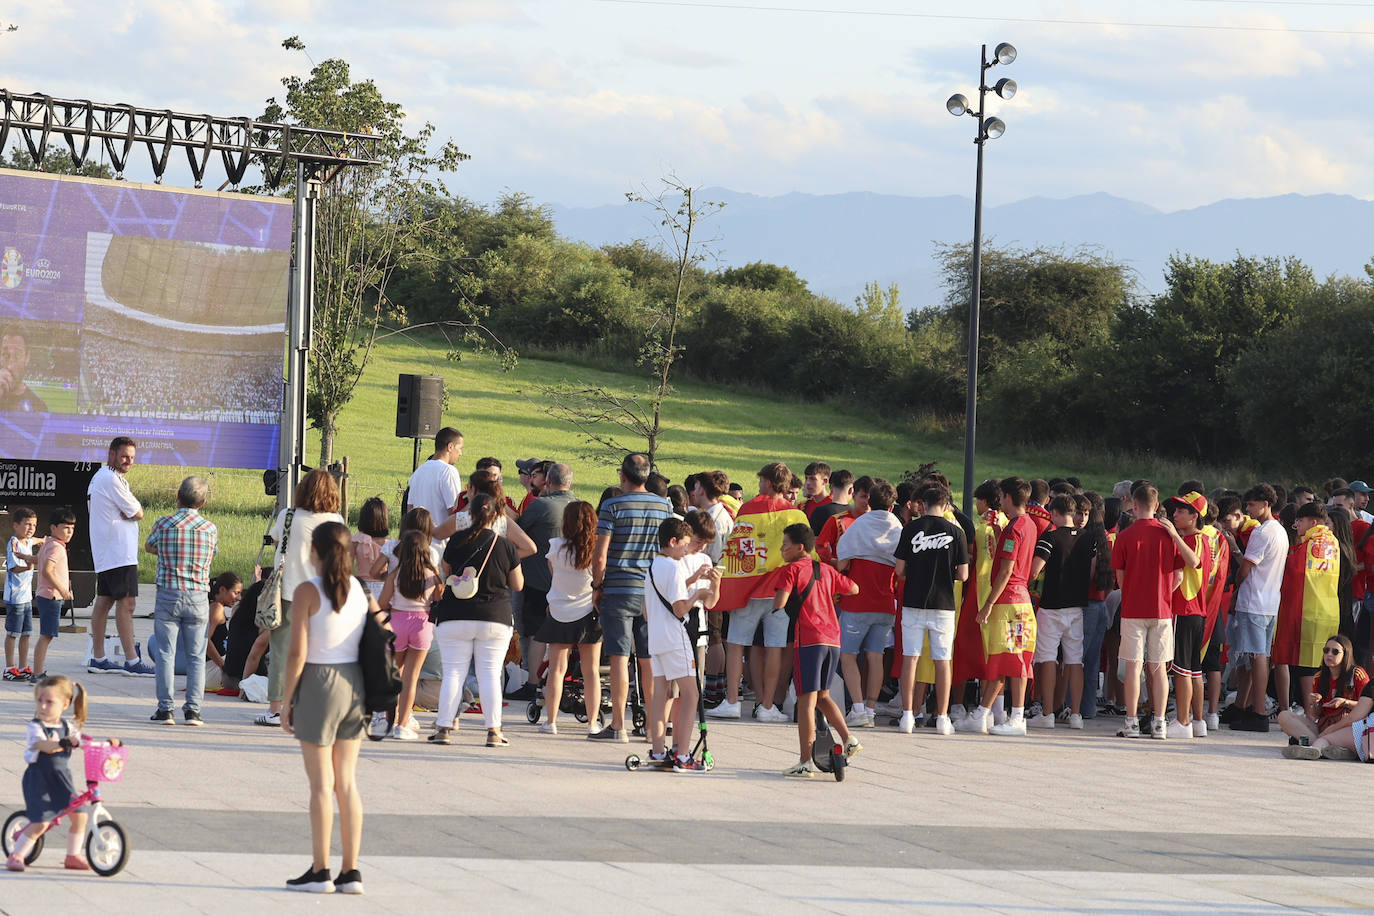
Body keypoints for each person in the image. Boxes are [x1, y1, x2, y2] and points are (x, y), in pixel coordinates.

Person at [280, 522, 382, 895]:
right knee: (347, 783)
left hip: (319, 682)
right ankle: (351, 870)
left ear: (315, 551)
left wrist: (287, 699)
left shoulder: (308, 590)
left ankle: (320, 870)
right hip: (353, 683)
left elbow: (297, 653)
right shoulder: (359, 589)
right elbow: (379, 630)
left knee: (321, 785)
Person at [710, 461, 810, 722]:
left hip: (750, 589)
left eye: (760, 480)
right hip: (781, 591)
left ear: (767, 482)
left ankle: (732, 701)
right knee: (775, 646)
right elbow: (809, 554)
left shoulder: (748, 509)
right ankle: (767, 706)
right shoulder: (796, 514)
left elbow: (735, 549)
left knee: (735, 644)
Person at [430, 493, 529, 747]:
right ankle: (493, 731)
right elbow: (517, 584)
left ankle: (444, 727)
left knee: (453, 672)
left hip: (455, 615)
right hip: (494, 617)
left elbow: (447, 570)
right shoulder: (506, 545)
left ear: (469, 515)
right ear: (498, 516)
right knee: (489, 674)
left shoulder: (456, 540)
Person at [591, 454, 673, 740]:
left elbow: (600, 554)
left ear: (622, 475)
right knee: (648, 661)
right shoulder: (665, 506)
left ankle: (618, 725)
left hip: (618, 589)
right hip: (651, 591)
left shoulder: (612, 506)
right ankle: (652, 726)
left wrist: (596, 585)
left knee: (619, 657)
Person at [771, 523, 860, 777]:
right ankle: (849, 738)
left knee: (806, 702)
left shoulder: (791, 570)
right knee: (822, 696)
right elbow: (853, 588)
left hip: (809, 640)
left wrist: (777, 599)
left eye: (785, 545)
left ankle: (805, 761)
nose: (782, 549)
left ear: (799, 548)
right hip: (833, 638)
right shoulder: (826, 570)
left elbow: (780, 602)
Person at [260, 469, 346, 727]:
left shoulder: (288, 516)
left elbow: (276, 541)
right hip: (322, 594)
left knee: (281, 651)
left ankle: (276, 708)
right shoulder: (337, 521)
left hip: (289, 592)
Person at [1111, 484, 1198, 740]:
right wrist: (1163, 592)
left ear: (1134, 506)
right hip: (1161, 608)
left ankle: (1131, 721)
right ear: (1158, 506)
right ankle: (1159, 721)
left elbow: (1121, 576)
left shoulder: (1125, 536)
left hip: (1133, 609)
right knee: (1159, 667)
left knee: (1133, 667)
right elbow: (1181, 573)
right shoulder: (1168, 534)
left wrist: (1133, 592)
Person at [6, 676, 119, 872]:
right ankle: (16, 855)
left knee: (80, 815)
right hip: (39, 779)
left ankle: (73, 855)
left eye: (49, 702)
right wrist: (62, 743)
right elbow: (42, 745)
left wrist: (109, 745)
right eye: (40, 700)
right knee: (41, 822)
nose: (42, 706)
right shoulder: (36, 727)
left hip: (62, 778)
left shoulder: (68, 727)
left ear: (65, 704)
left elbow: (82, 740)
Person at [962, 477, 1039, 737]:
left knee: (1011, 660)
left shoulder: (1014, 528)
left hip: (1009, 603)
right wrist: (997, 532)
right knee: (1010, 659)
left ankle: (1014, 717)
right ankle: (988, 713)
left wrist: (988, 605)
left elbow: (1006, 569)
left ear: (1006, 497)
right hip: (1021, 601)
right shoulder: (1027, 524)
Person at [644, 517, 720, 772]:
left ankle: (657, 750)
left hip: (655, 637)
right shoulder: (675, 567)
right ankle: (683, 754)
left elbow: (647, 611)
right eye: (685, 544)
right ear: (673, 542)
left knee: (659, 694)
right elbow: (679, 609)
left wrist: (692, 585)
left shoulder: (654, 565)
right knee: (691, 694)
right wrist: (697, 593)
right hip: (676, 637)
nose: (687, 550)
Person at [892, 485, 969, 735]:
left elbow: (899, 570)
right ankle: (943, 718)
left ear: (923, 504)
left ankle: (907, 716)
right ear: (947, 505)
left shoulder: (911, 529)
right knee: (943, 660)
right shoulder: (956, 533)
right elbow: (964, 574)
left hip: (914, 601)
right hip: (944, 604)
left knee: (910, 658)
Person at [145, 476, 219, 726]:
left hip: (168, 593)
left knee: (166, 653)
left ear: (178, 496)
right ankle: (193, 710)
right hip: (198, 595)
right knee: (197, 655)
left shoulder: (163, 524)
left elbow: (149, 547)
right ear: (204, 502)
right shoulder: (209, 528)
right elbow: (213, 552)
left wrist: (164, 552)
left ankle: (165, 709)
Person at [835, 478, 903, 728]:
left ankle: (859, 708)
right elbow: (901, 566)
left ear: (869, 503)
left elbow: (842, 562)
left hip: (857, 601)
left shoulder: (859, 524)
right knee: (876, 656)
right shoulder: (898, 527)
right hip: (885, 601)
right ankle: (872, 709)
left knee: (848, 655)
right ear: (892, 506)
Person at [535, 501, 604, 736]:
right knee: (591, 671)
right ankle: (593, 722)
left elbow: (553, 572)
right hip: (587, 612)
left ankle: (551, 721)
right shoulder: (595, 551)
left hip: (559, 612)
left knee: (557, 670)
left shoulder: (555, 547)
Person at [85, 436, 151, 676]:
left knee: (103, 602)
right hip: (118, 553)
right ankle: (132, 662)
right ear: (111, 454)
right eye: (124, 456)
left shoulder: (106, 478)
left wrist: (131, 513)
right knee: (127, 603)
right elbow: (138, 511)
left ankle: (98, 657)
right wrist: (134, 513)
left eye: (132, 458)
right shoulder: (110, 479)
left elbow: (132, 512)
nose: (128, 461)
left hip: (110, 552)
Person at [1028, 493, 1094, 730]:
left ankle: (1047, 713)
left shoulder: (1050, 536)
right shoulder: (1088, 538)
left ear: (1054, 513)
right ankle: (1075, 714)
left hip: (1051, 605)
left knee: (1047, 658)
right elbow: (1093, 571)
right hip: (1076, 606)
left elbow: (1034, 571)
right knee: (1075, 660)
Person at [1227, 483, 1287, 732]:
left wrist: (1236, 586)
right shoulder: (1279, 530)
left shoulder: (1262, 532)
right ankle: (1246, 706)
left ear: (1265, 504)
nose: (1248, 509)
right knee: (1258, 655)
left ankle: (1259, 711)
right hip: (1269, 600)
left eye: (1251, 504)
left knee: (1256, 656)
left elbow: (1246, 568)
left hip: (1255, 600)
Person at [1273, 502, 1341, 711]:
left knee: (1306, 668)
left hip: (1308, 611)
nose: (1297, 525)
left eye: (1300, 521)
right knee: (1320, 666)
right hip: (1329, 609)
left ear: (1312, 522)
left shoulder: (1310, 544)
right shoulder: (1333, 542)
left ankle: (1310, 714)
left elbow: (1292, 571)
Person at [376, 531, 442, 740]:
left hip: (397, 624)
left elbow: (382, 603)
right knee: (411, 677)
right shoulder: (432, 574)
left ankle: (390, 719)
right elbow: (440, 599)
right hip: (422, 624)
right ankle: (402, 725)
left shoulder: (396, 573)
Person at [517, 462, 577, 687]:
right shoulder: (581, 506)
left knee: (536, 632)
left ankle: (533, 682)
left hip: (539, 580)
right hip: (572, 583)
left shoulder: (541, 505)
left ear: (548, 482)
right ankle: (562, 680)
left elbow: (519, 530)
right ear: (571, 482)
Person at [1161, 491, 1213, 739]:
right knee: (1193, 669)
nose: (1175, 514)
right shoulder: (1199, 539)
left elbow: (1193, 563)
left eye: (1182, 511)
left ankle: (1183, 721)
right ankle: (1197, 720)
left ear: (1195, 516)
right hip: (1196, 611)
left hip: (1185, 609)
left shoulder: (1194, 540)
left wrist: (1173, 535)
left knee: (1182, 669)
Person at [1278, 634, 1368, 753]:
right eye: (1326, 650)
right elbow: (1315, 715)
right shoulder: (1319, 677)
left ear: (1345, 654)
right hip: (1325, 726)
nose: (1329, 654)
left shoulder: (1357, 674)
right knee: (1284, 716)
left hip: (1347, 726)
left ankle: (1319, 745)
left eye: (1335, 651)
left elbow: (1368, 707)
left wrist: (1344, 703)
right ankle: (1322, 746)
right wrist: (1314, 704)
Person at [32, 509, 76, 680]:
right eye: (65, 528)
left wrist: (25, 557)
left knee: (46, 635)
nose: (69, 532)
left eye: (72, 528)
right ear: (53, 528)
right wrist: (63, 590)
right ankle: (36, 674)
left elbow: (39, 561)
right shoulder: (56, 548)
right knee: (46, 636)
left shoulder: (48, 544)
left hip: (46, 595)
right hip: (51, 596)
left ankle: (37, 671)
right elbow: (47, 571)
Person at [406, 427, 464, 551]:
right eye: (460, 449)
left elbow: (410, 510)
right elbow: (454, 511)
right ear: (450, 447)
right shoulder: (448, 471)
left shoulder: (418, 472)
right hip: (440, 547)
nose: (460, 454)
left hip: (416, 546)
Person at [4, 506, 40, 681]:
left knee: (26, 634)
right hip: (15, 597)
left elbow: (37, 540)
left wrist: (47, 540)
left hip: (27, 597)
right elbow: (14, 568)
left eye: (33, 524)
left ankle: (23, 666)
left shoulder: (29, 541)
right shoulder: (13, 543)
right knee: (13, 633)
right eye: (27, 524)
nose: (31, 528)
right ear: (16, 525)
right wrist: (29, 565)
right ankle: (9, 668)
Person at [203, 572, 243, 691]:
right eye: (236, 593)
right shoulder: (217, 609)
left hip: (211, 667)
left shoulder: (213, 606)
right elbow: (204, 641)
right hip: (212, 669)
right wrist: (223, 667)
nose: (238, 598)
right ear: (222, 590)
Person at [0, 330, 48, 412]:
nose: (10, 366)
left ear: (27, 358)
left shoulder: (39, 406)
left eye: (17, 355)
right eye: (5, 354)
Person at [352, 497, 389, 600]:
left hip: (361, 586)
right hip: (383, 587)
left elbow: (347, 567)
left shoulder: (357, 540)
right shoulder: (389, 543)